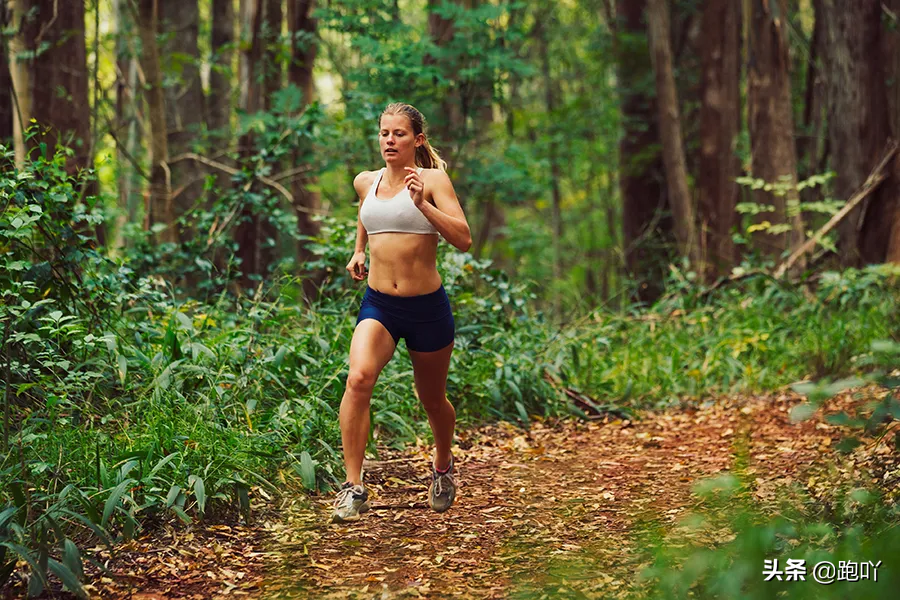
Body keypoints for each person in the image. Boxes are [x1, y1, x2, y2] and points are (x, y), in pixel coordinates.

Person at [331, 102, 473, 523]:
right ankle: (354, 487)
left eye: (399, 134)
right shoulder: (365, 181)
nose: (389, 141)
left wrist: (422, 205)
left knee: (432, 399)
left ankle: (443, 465)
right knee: (358, 378)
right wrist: (358, 250)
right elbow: (366, 213)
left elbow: (463, 239)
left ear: (418, 140)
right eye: (384, 133)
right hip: (380, 304)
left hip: (427, 308)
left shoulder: (431, 180)